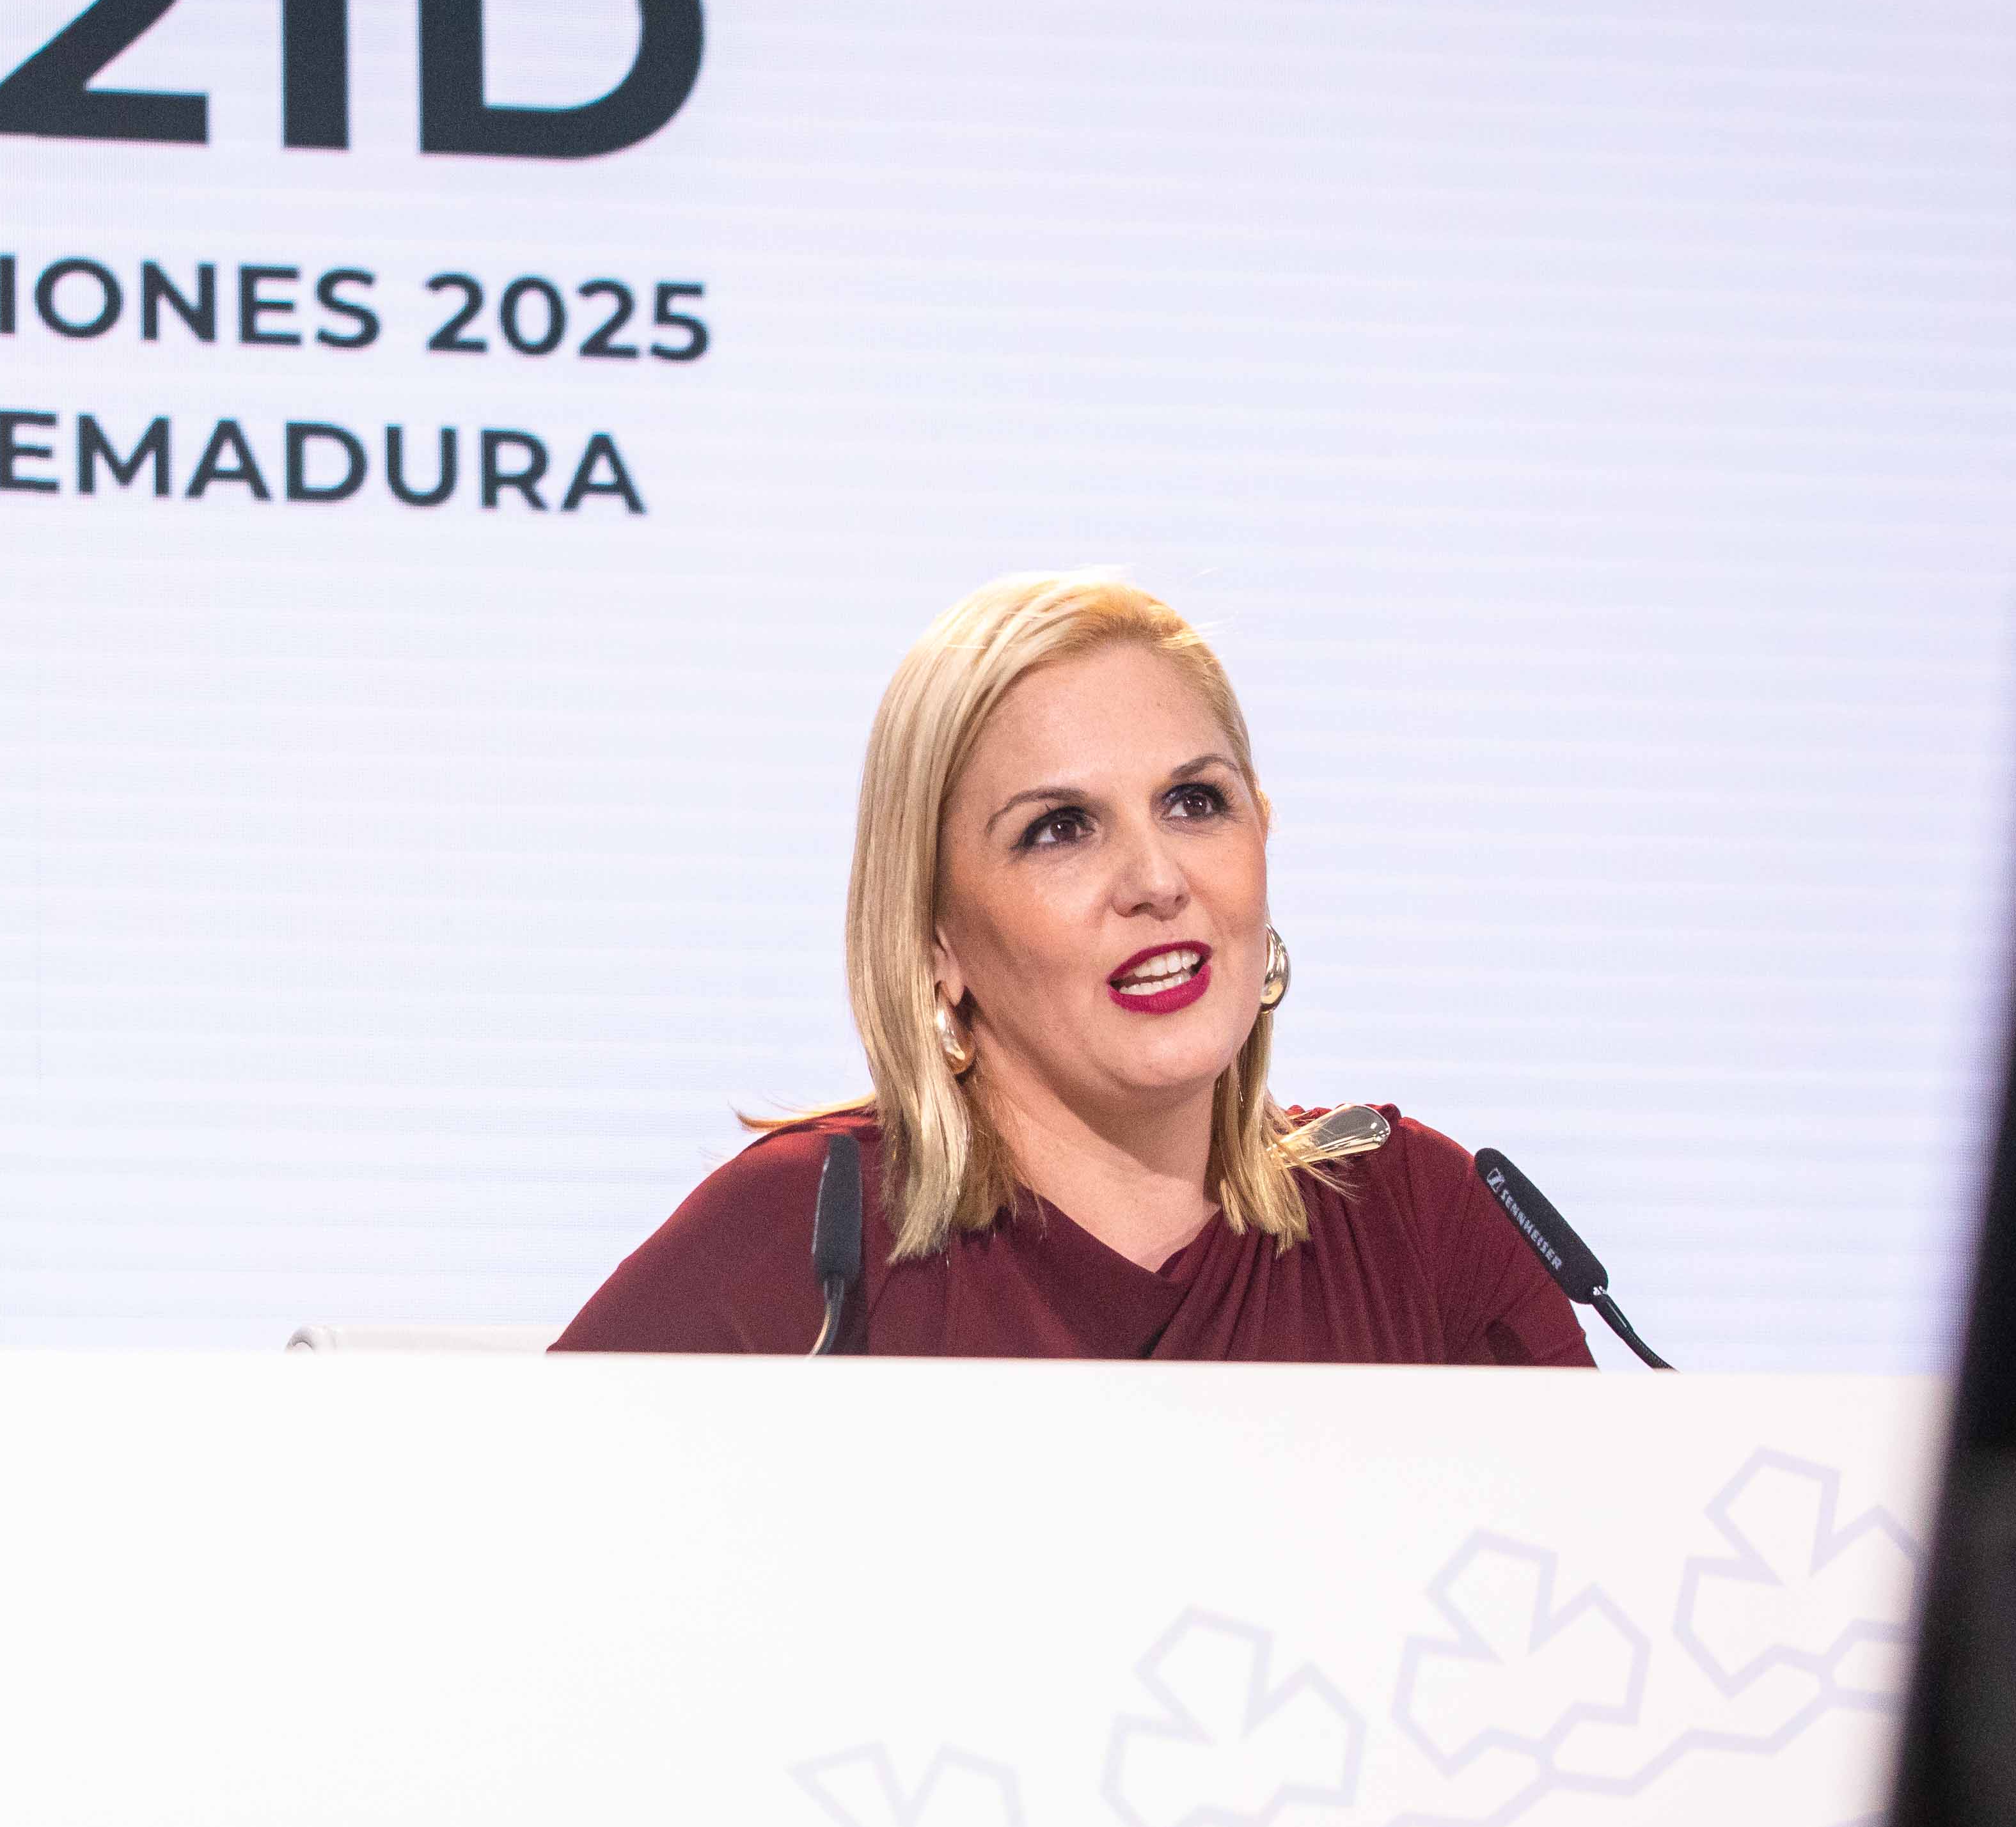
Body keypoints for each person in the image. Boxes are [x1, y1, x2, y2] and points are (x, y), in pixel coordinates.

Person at [555, 571, 1591, 1363]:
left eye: (1195, 802)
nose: (1155, 878)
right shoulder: (806, 1236)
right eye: (1059, 828)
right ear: (933, 940)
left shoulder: (1414, 1223)